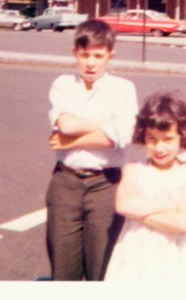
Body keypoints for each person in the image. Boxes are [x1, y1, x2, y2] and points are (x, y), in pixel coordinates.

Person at [46, 19, 138, 281]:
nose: (91, 63)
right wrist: (107, 126)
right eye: (85, 55)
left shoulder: (123, 89)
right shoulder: (63, 84)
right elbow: (64, 122)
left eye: (98, 56)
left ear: (111, 55)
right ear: (75, 53)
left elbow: (120, 137)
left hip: (105, 185)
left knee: (103, 267)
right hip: (66, 182)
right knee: (64, 269)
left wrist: (71, 142)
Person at [104, 91, 186, 281]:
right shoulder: (134, 169)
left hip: (175, 255)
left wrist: (138, 210)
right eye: (152, 139)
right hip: (135, 254)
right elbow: (123, 205)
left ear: (181, 136)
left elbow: (182, 223)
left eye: (168, 139)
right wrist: (170, 204)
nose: (159, 148)